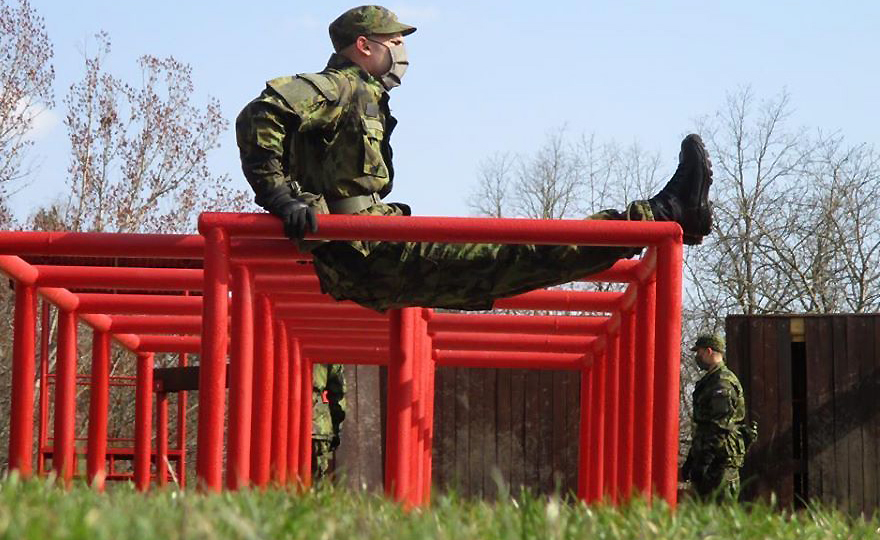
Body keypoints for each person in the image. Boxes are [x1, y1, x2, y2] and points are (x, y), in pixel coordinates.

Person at [235, 5, 714, 313]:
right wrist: (279, 196)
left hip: (372, 245)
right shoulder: (340, 85)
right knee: (518, 253)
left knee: (521, 261)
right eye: (394, 41)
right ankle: (663, 214)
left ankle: (665, 217)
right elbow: (261, 113)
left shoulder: (363, 94)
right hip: (366, 251)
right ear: (364, 46)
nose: (402, 52)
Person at [680, 334, 756, 501]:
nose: (697, 357)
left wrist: (703, 462)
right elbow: (703, 426)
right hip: (711, 458)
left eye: (698, 352)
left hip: (720, 461)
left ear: (708, 351)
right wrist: (692, 460)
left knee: (722, 511)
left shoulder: (722, 383)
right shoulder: (711, 380)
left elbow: (719, 427)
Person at [312, 363, 347, 480]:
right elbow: (337, 394)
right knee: (312, 483)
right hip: (317, 425)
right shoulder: (325, 348)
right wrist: (335, 430)